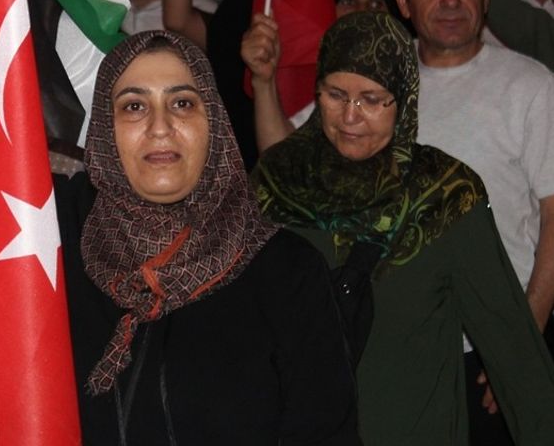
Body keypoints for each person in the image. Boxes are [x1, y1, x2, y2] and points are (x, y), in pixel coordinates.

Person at [253, 12, 554, 446]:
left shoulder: (444, 195)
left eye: (372, 99)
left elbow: (508, 336)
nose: (350, 117)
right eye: (336, 94)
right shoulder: (276, 180)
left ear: (404, 100)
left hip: (409, 426)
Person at [57, 30, 360, 445]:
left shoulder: (286, 272)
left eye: (182, 103)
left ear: (214, 122)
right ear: (105, 134)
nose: (160, 127)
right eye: (134, 106)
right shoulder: (57, 256)